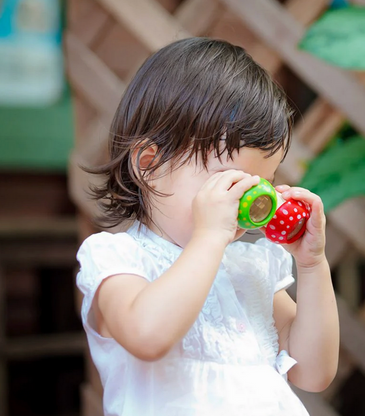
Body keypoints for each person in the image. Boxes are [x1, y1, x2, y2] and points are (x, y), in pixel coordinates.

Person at [76, 37, 339, 416]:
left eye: (260, 183)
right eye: (231, 182)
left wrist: (313, 265)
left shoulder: (251, 270)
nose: (247, 204)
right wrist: (210, 238)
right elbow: (148, 336)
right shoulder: (118, 260)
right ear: (150, 165)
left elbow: (313, 373)